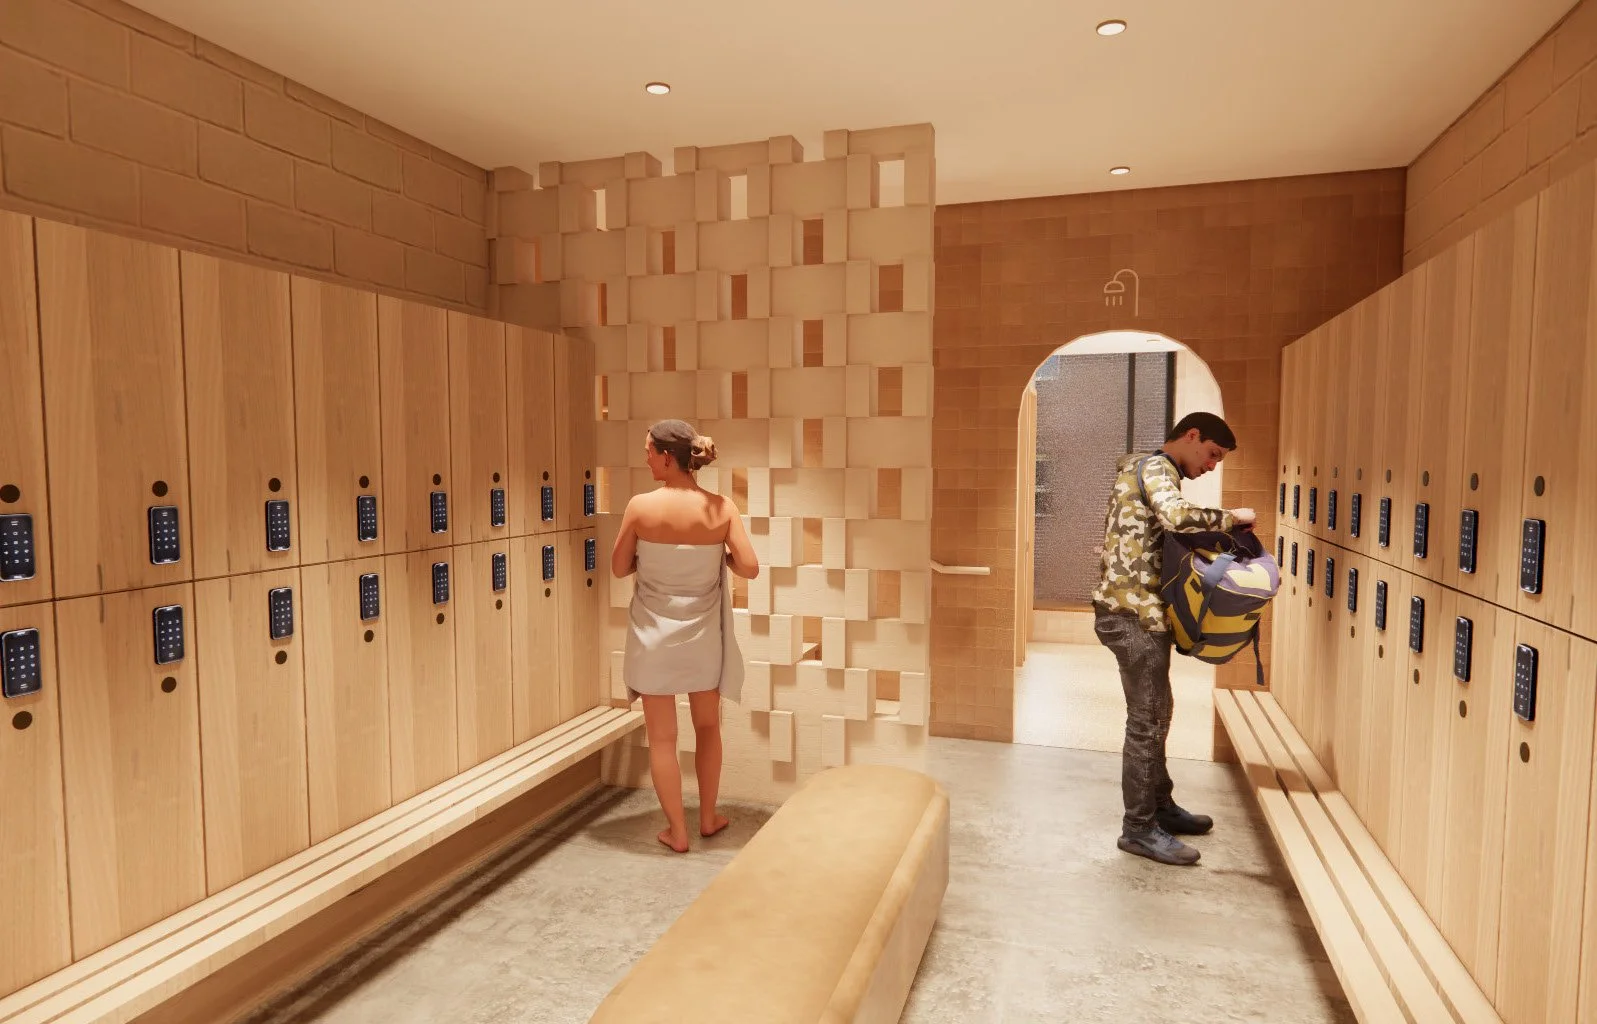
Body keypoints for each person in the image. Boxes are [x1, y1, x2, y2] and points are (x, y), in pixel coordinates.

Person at [1091, 411, 1256, 867]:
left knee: (1157, 712)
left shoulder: (1142, 467)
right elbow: (1177, 515)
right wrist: (1233, 518)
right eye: (1212, 454)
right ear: (1191, 435)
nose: (1211, 465)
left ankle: (1160, 807)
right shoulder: (1157, 467)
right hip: (1133, 614)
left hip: (1133, 611)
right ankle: (1138, 829)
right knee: (1147, 720)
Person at [611, 419, 760, 853]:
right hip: (702, 638)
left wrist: (648, 562)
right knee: (708, 727)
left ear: (666, 457)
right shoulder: (721, 508)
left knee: (662, 738)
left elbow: (618, 567)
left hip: (653, 637)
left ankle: (677, 831)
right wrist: (720, 559)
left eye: (648, 452)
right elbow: (750, 567)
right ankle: (708, 818)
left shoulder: (640, 507)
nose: (645, 459)